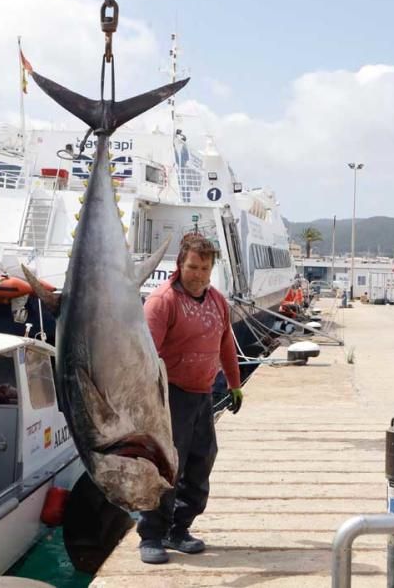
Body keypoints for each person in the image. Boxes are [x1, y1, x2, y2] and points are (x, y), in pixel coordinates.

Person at [137, 233, 245, 565]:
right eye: (192, 266)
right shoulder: (162, 301)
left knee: (201, 462)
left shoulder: (217, 301)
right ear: (180, 264)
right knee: (167, 467)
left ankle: (178, 529)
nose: (198, 274)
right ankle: (152, 535)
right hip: (170, 396)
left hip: (203, 394)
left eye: (204, 267)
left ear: (212, 268)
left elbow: (226, 343)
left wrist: (234, 383)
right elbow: (145, 355)